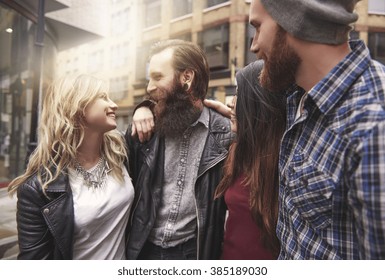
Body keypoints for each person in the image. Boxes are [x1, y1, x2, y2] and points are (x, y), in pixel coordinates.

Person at [250, 0, 385, 259]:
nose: (253, 45)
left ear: (294, 21)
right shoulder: (299, 93)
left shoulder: (373, 126)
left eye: (257, 27)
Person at [124, 39, 233, 260]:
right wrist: (143, 107)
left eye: (157, 77)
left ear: (187, 78)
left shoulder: (224, 133)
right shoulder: (145, 128)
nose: (148, 87)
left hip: (194, 253)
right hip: (144, 249)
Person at [7, 74, 134, 259]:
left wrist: (144, 108)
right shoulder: (37, 189)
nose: (114, 104)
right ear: (77, 106)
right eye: (103, 97)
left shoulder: (122, 153)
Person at [213, 60, 285, 260]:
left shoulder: (286, 158)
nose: (230, 102)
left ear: (256, 101)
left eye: (238, 93)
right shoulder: (237, 151)